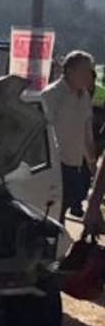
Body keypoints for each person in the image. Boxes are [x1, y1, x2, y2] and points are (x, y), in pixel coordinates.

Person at [41, 50, 97, 222]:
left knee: (67, 205)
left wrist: (92, 163)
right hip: (56, 165)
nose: (88, 75)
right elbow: (43, 131)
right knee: (53, 212)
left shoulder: (84, 96)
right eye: (84, 70)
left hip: (75, 164)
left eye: (90, 71)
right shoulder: (52, 94)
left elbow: (86, 132)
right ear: (70, 71)